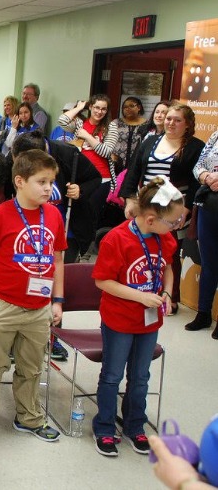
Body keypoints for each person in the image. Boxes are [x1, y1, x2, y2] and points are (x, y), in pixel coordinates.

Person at [0, 149, 65, 445]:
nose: (48, 188)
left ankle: (29, 417)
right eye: (41, 181)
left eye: (51, 181)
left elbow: (58, 260)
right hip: (4, 305)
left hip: (39, 308)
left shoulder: (53, 215)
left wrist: (58, 300)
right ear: (20, 181)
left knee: (32, 366)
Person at [91, 176, 181, 457]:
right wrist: (140, 296)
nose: (175, 227)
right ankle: (105, 426)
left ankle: (134, 424)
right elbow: (103, 281)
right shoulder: (117, 239)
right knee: (112, 375)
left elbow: (166, 268)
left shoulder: (163, 238)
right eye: (173, 222)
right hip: (119, 319)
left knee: (141, 376)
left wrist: (167, 293)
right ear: (151, 219)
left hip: (149, 320)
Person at [121, 103, 204, 316]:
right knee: (138, 246)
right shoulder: (150, 142)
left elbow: (196, 183)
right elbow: (133, 171)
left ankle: (170, 297)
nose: (171, 123)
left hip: (173, 208)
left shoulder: (195, 147)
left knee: (169, 252)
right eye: (168, 118)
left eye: (177, 120)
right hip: (146, 205)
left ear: (187, 124)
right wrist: (130, 199)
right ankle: (136, 289)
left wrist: (186, 208)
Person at [10, 130, 102, 267]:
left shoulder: (69, 154)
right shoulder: (19, 152)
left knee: (60, 268)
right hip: (28, 226)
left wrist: (79, 189)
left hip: (66, 227)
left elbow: (95, 178)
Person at [58, 95, 119, 254]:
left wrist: (87, 137)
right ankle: (76, 249)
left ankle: (86, 251)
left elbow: (106, 151)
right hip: (81, 177)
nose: (100, 112)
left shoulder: (110, 127)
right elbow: (62, 121)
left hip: (102, 179)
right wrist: (79, 108)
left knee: (90, 216)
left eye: (104, 109)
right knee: (77, 215)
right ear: (91, 107)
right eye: (96, 107)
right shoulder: (80, 123)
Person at [189, 129, 218, 336]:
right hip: (209, 204)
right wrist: (206, 176)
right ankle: (203, 312)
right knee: (209, 263)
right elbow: (198, 164)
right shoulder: (216, 134)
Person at [113, 96, 148, 172]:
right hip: (117, 165)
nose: (127, 109)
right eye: (125, 107)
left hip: (138, 164)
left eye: (131, 106)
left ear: (139, 107)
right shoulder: (116, 123)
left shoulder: (147, 125)